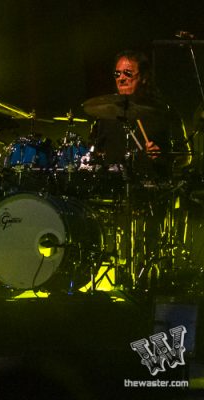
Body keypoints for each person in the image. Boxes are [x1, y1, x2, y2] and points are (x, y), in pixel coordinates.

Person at [86, 50, 190, 292]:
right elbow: (94, 155)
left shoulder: (164, 113)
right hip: (115, 192)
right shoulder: (105, 116)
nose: (121, 78)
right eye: (117, 74)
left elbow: (185, 158)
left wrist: (162, 155)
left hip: (153, 193)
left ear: (142, 77)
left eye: (127, 73)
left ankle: (148, 279)